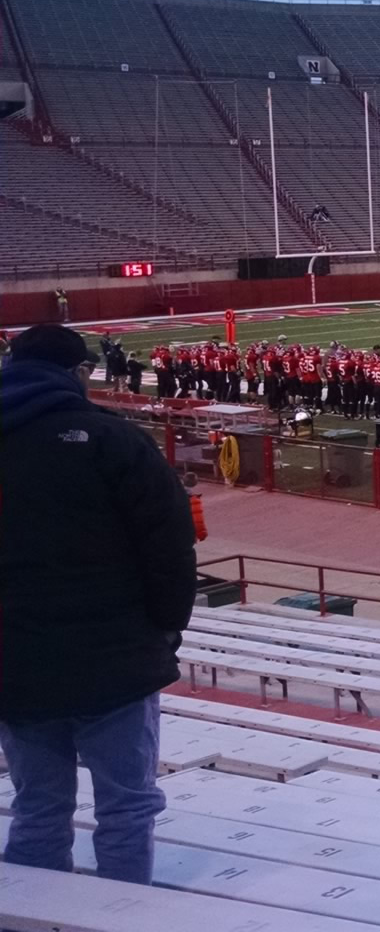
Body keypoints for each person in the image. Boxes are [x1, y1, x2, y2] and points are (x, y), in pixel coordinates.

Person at [0, 325, 196, 885]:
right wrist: (165, 629)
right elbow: (168, 546)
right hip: (112, 654)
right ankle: (119, 917)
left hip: (15, 657)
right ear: (79, 373)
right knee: (127, 805)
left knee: (37, 805)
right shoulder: (111, 439)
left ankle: (35, 921)